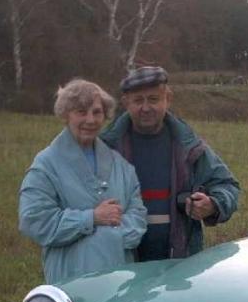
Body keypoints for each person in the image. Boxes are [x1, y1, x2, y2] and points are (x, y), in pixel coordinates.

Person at [100, 66, 240, 261]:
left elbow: (227, 186)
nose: (146, 108)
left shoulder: (189, 146)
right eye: (138, 100)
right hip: (120, 264)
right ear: (126, 103)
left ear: (168, 98)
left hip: (178, 267)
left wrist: (213, 204)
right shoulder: (104, 149)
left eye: (153, 99)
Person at [19, 79, 147, 284]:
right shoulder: (45, 165)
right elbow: (34, 221)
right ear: (66, 114)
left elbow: (138, 215)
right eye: (81, 111)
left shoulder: (121, 166)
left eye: (97, 112)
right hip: (71, 283)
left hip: (120, 281)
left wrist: (112, 239)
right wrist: (91, 218)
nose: (90, 120)